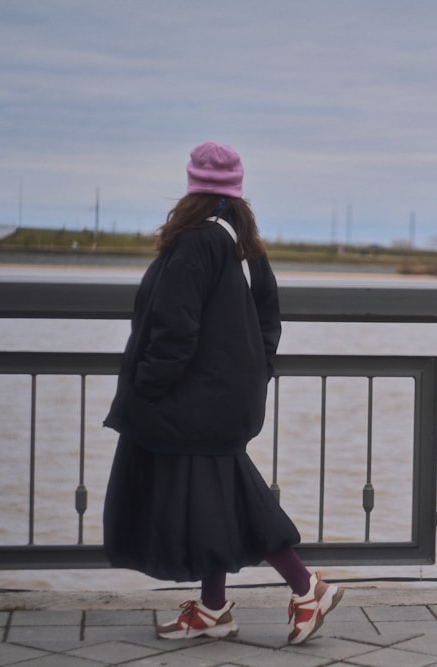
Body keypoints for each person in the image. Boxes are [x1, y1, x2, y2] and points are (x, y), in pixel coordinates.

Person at [103, 141, 342, 645]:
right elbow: (269, 319)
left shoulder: (195, 242)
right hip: (229, 400)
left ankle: (306, 586)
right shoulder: (244, 243)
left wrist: (146, 386)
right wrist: (256, 372)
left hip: (193, 401)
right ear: (236, 190)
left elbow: (174, 328)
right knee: (212, 496)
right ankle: (213, 609)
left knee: (228, 494)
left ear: (191, 187)